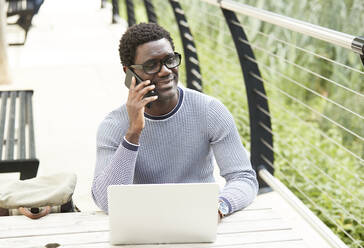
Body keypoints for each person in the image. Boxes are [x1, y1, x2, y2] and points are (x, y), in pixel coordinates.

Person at [91, 23, 258, 219]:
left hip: (200, 221)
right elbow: (107, 201)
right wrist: (133, 132)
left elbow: (243, 178)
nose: (165, 71)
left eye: (170, 60)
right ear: (129, 72)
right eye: (151, 65)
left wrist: (219, 207)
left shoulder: (209, 110)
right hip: (143, 223)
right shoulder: (113, 126)